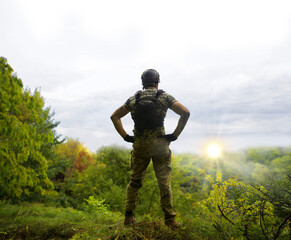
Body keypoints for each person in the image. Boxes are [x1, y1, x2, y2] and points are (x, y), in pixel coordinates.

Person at [110, 69, 190, 227]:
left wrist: (126, 137)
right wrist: (174, 135)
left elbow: (115, 116)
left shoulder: (134, 98)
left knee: (134, 182)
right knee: (164, 183)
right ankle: (170, 220)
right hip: (160, 146)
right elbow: (185, 112)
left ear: (142, 81)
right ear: (157, 81)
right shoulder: (164, 97)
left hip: (140, 146)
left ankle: (129, 218)